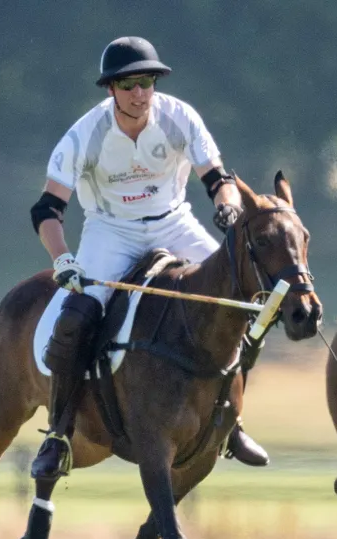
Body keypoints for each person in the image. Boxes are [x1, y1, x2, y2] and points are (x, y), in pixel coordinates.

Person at [29, 36, 269, 480]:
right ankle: (59, 434)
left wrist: (228, 206)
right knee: (77, 317)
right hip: (110, 230)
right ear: (110, 89)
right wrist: (63, 259)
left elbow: (219, 177)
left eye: (148, 82)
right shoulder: (85, 134)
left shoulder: (179, 118)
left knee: (246, 299)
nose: (140, 93)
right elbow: (47, 210)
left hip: (173, 223)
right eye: (129, 84)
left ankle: (231, 423)